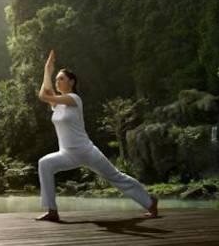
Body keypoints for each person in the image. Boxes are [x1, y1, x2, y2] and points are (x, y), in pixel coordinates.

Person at [34, 49, 158, 222]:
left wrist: (48, 71)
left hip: (86, 151)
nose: (57, 82)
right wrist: (47, 70)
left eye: (61, 78)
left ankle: (150, 202)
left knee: (116, 177)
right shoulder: (57, 105)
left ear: (71, 81)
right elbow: (47, 92)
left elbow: (43, 96)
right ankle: (52, 211)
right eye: (56, 80)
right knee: (44, 164)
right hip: (67, 154)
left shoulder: (74, 99)